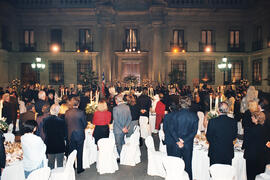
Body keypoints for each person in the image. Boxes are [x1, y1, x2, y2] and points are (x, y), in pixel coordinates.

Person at [163, 96, 198, 180]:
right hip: (188, 144)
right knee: (188, 166)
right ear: (189, 104)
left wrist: (178, 140)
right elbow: (194, 132)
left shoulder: (175, 115)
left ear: (180, 104)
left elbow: (171, 130)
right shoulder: (194, 116)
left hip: (176, 144)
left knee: (176, 166)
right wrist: (184, 140)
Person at [242, 101, 266, 180]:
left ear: (256, 119)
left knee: (250, 175)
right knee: (258, 175)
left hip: (251, 156)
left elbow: (246, 142)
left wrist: (243, 147)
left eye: (253, 117)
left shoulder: (251, 129)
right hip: (261, 156)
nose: (251, 117)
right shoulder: (264, 129)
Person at [65, 96, 87, 174]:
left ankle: (72, 166)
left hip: (70, 134)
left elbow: (66, 123)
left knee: (71, 152)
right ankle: (79, 168)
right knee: (79, 151)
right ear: (78, 104)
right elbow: (85, 124)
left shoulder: (67, 112)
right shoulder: (81, 112)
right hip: (80, 134)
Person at [43, 104, 66, 169]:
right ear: (58, 111)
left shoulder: (45, 120)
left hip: (50, 144)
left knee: (50, 164)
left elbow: (45, 131)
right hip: (59, 144)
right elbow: (64, 134)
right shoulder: (61, 121)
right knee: (60, 164)